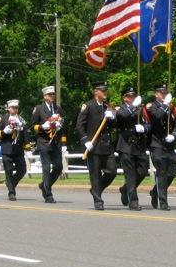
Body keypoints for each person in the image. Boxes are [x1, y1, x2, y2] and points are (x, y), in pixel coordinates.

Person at [76, 81, 117, 210]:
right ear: (96, 92)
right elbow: (79, 125)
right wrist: (85, 140)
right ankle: (98, 200)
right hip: (93, 145)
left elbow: (114, 126)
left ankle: (96, 190)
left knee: (112, 171)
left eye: (105, 90)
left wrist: (113, 118)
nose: (105, 92)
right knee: (95, 174)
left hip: (107, 145)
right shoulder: (88, 106)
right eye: (102, 90)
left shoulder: (107, 107)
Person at [115, 87, 150, 211]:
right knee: (130, 175)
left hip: (139, 145)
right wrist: (134, 106)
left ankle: (125, 189)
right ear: (125, 98)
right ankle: (133, 202)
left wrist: (144, 128)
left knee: (143, 170)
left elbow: (148, 124)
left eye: (134, 96)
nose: (133, 98)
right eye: (130, 96)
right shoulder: (121, 109)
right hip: (126, 145)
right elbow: (122, 116)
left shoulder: (141, 109)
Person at [31, 86, 67, 203]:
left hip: (55, 142)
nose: (52, 96)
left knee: (58, 167)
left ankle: (44, 185)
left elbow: (62, 125)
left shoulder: (58, 108)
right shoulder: (39, 109)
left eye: (53, 94)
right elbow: (32, 126)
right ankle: (48, 194)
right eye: (50, 94)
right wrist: (42, 126)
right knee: (46, 168)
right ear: (45, 96)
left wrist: (63, 141)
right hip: (44, 141)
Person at [147, 84, 176, 211]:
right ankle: (163, 202)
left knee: (172, 172)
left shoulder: (171, 108)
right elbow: (156, 118)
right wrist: (165, 105)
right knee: (162, 172)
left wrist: (174, 135)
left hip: (169, 145)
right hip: (157, 144)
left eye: (165, 93)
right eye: (162, 93)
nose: (164, 95)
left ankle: (155, 192)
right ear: (156, 94)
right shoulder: (151, 107)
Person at [0, 100, 28, 201]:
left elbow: (26, 133)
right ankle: (11, 192)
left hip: (18, 149)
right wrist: (4, 132)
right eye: (12, 107)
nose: (15, 109)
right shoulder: (3, 119)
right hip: (7, 149)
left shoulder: (21, 119)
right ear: (8, 108)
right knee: (8, 171)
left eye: (16, 108)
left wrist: (27, 145)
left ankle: (10, 183)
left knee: (22, 170)